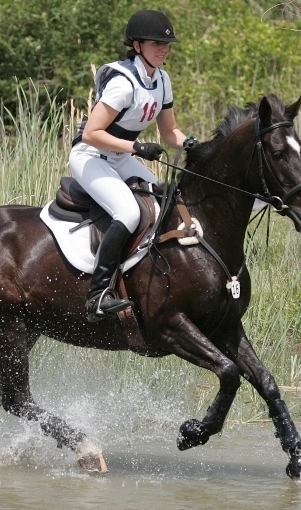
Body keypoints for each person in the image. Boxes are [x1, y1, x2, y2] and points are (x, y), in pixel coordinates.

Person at [69, 9, 189, 322]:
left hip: (119, 157)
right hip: (90, 156)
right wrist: (137, 146)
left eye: (166, 45)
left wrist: (194, 144)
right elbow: (93, 134)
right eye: (155, 44)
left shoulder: (162, 80)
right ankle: (97, 296)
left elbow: (170, 133)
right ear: (137, 46)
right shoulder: (123, 83)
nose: (163, 49)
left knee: (168, 199)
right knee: (129, 212)